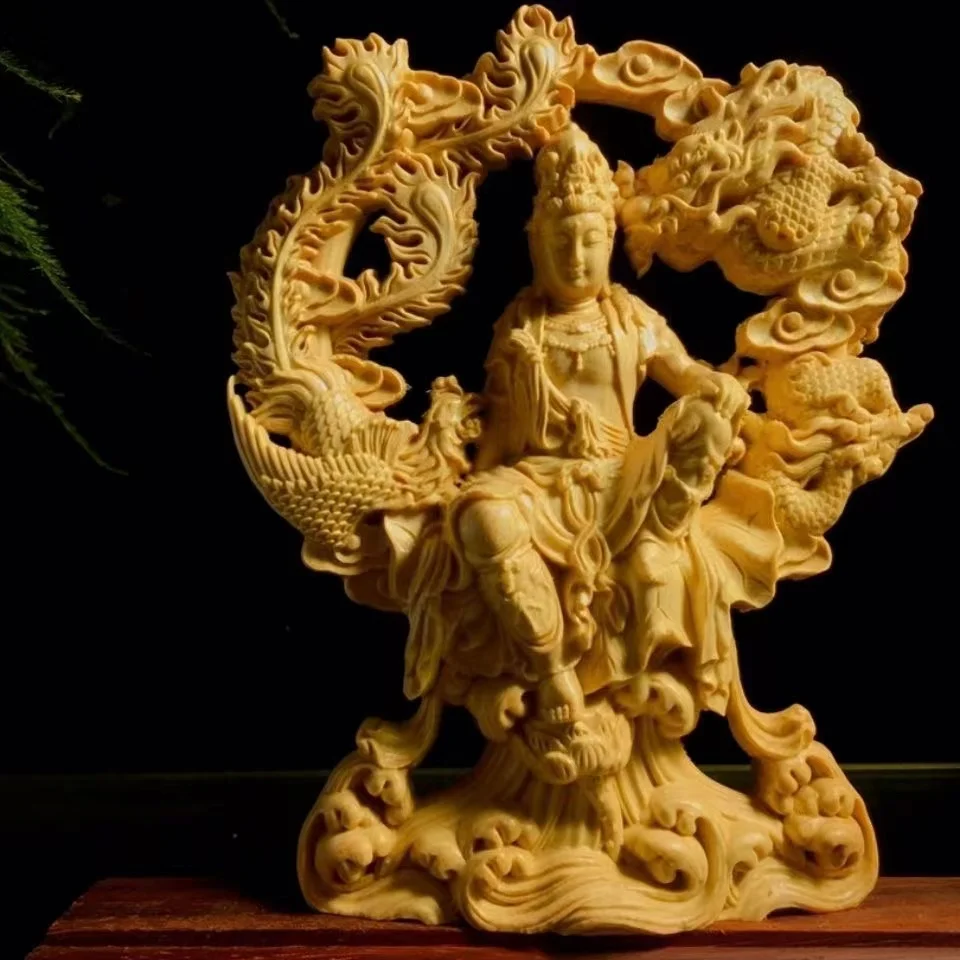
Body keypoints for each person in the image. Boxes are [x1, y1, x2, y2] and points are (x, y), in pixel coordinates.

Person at [450, 124, 751, 725]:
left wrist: (715, 386)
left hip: (623, 482)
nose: (576, 256)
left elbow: (683, 372)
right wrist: (475, 481)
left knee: (706, 421)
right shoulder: (522, 326)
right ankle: (552, 669)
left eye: (590, 240)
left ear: (610, 241)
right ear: (537, 244)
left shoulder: (629, 316)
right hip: (539, 484)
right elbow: (502, 426)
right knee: (483, 518)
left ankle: (658, 537)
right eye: (562, 240)